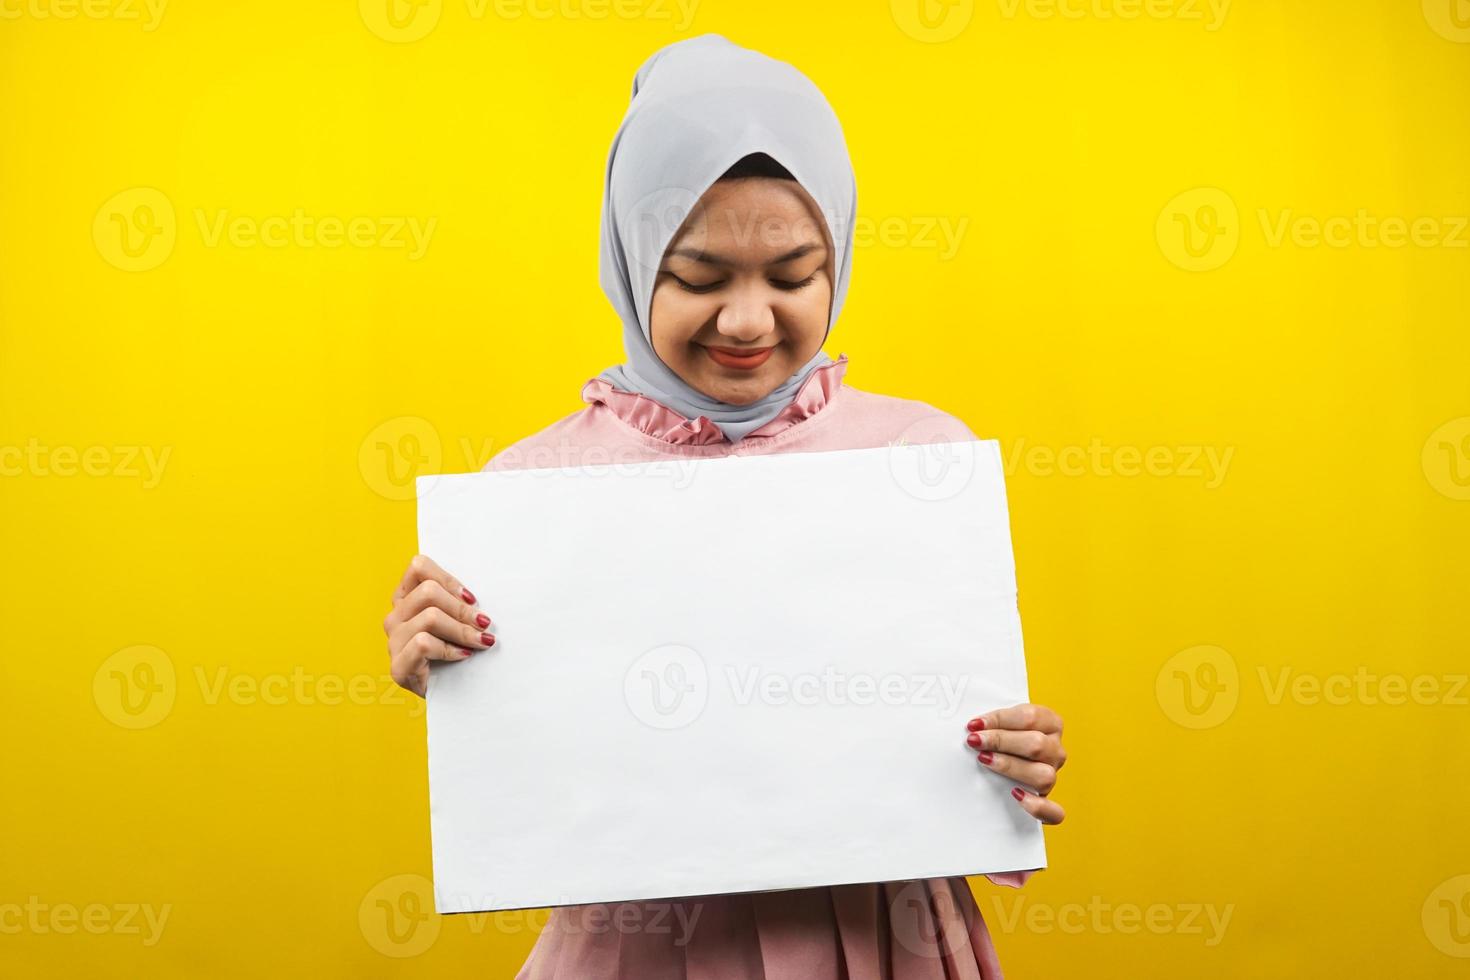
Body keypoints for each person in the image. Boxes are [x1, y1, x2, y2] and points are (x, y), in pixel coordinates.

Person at [382, 33, 1067, 979]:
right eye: (698, 278)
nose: (748, 321)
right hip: (641, 947)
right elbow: (533, 774)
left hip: (885, 940)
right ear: (630, 261)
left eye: (793, 277)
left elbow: (953, 747)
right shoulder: (527, 493)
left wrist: (1008, 764)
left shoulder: (923, 462)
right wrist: (448, 673)